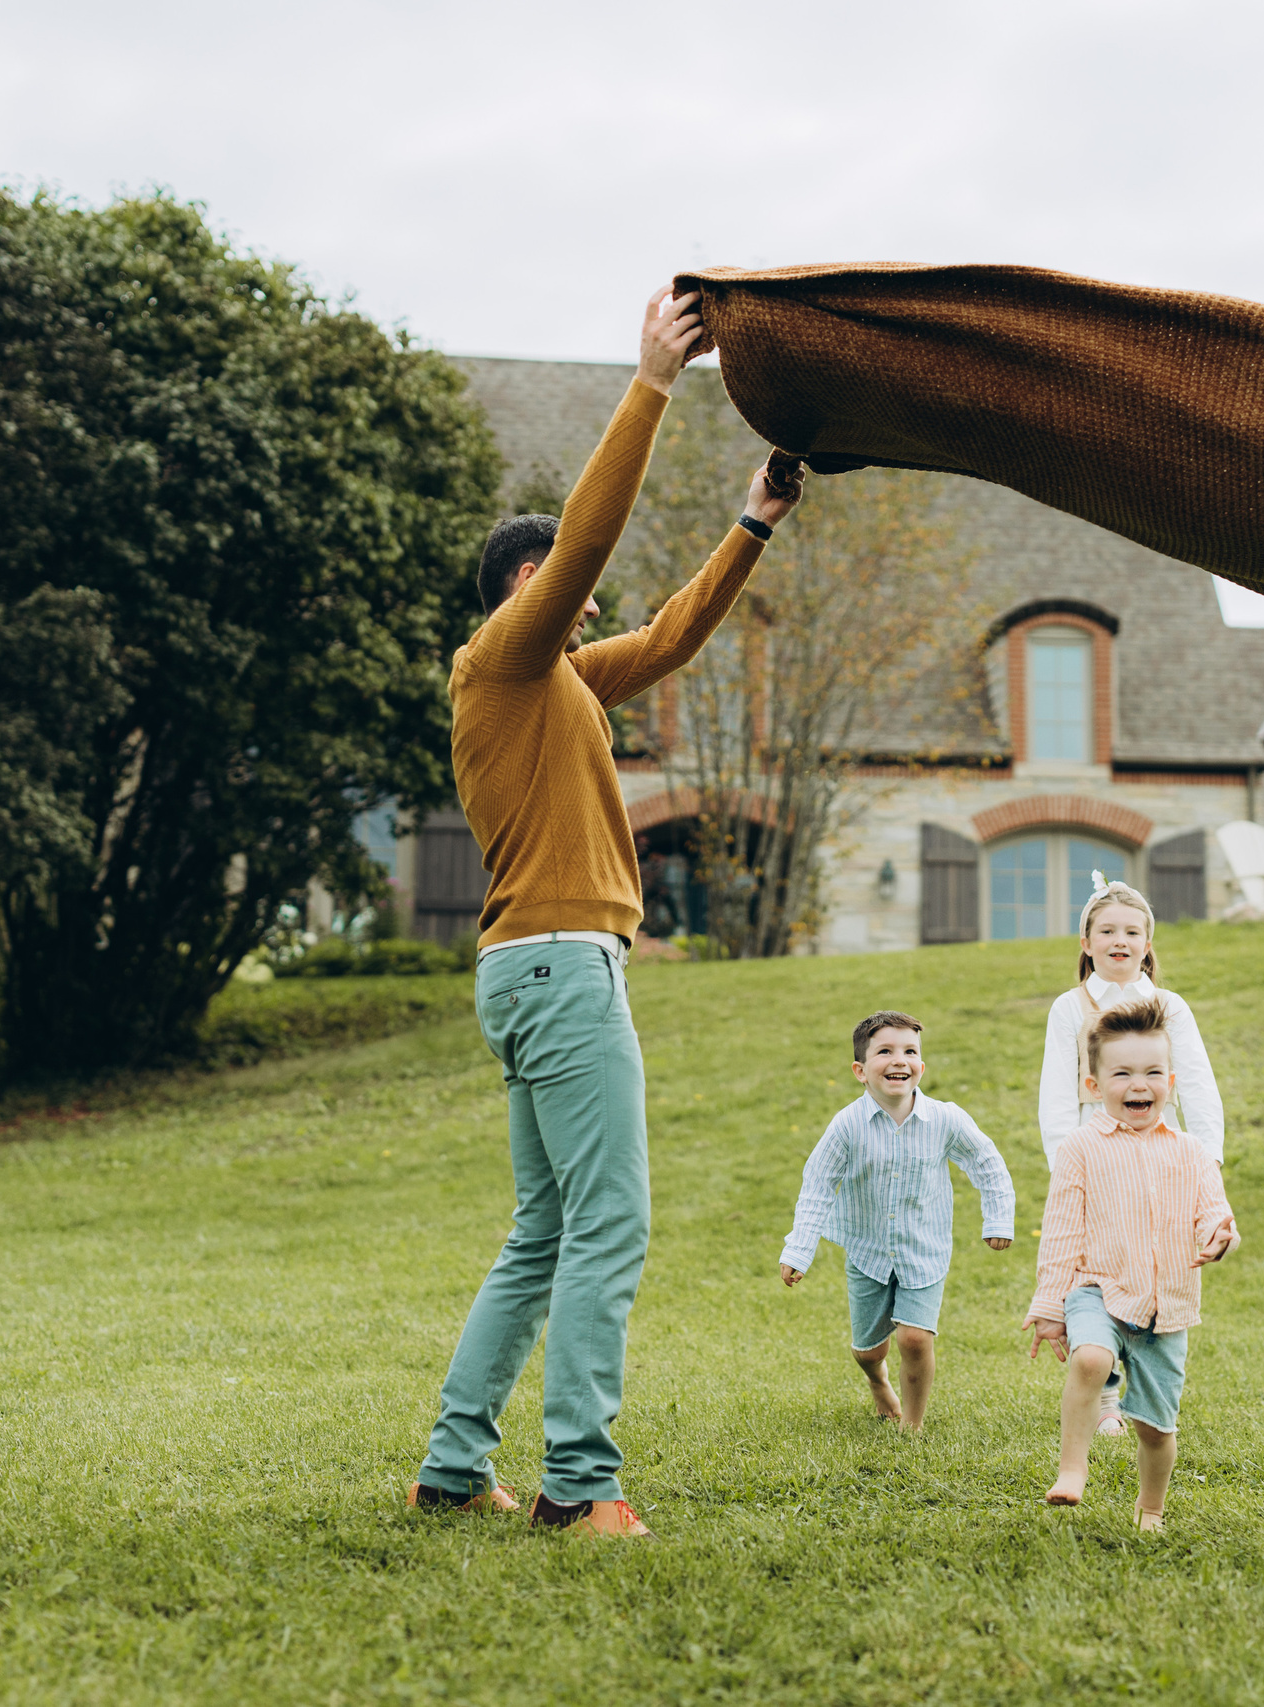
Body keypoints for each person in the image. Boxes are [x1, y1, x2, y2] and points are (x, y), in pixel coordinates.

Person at [408, 286, 802, 1539]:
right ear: (524, 586)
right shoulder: (500, 664)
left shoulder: (566, 681)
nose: (586, 595)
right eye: (562, 580)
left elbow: (676, 634)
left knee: (543, 1233)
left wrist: (753, 523)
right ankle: (579, 1486)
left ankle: (454, 1466)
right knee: (609, 1227)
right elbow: (582, 545)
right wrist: (651, 384)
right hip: (561, 969)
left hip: (536, 970)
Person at [1025, 997, 1239, 1532]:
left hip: (1167, 1305)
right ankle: (1072, 1468)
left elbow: (1216, 1216)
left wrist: (1221, 1239)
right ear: (1094, 1087)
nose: (1137, 1084)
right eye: (1121, 1073)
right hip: (1098, 1286)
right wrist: (1052, 1306)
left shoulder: (1192, 1153)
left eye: (1150, 1073)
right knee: (1092, 1359)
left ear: (1169, 1080)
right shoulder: (1080, 1149)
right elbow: (1061, 1233)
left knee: (1155, 1429)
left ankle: (1151, 1509)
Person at [1035, 874, 1227, 1436]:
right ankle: (1105, 1396)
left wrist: (1207, 1162)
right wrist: (1066, 1165)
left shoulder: (1170, 1007)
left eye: (1132, 931)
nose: (1119, 940)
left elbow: (1195, 1085)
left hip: (1161, 1165)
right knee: (1094, 1272)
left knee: (1150, 1262)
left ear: (1148, 944)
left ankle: (1148, 1380)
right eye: (1107, 930)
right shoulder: (1070, 1008)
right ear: (1086, 942)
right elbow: (1054, 1094)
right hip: (1094, 1160)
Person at [779, 1011, 1016, 1432]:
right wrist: (799, 1250)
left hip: (924, 1250)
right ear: (860, 1070)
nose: (899, 1060)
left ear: (921, 1066)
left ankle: (913, 1425)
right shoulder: (846, 1126)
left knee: (914, 1338)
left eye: (910, 1051)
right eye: (884, 1051)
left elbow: (987, 1162)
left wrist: (998, 1219)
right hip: (867, 1251)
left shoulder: (945, 1119)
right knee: (869, 1350)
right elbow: (817, 1186)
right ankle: (877, 1381)